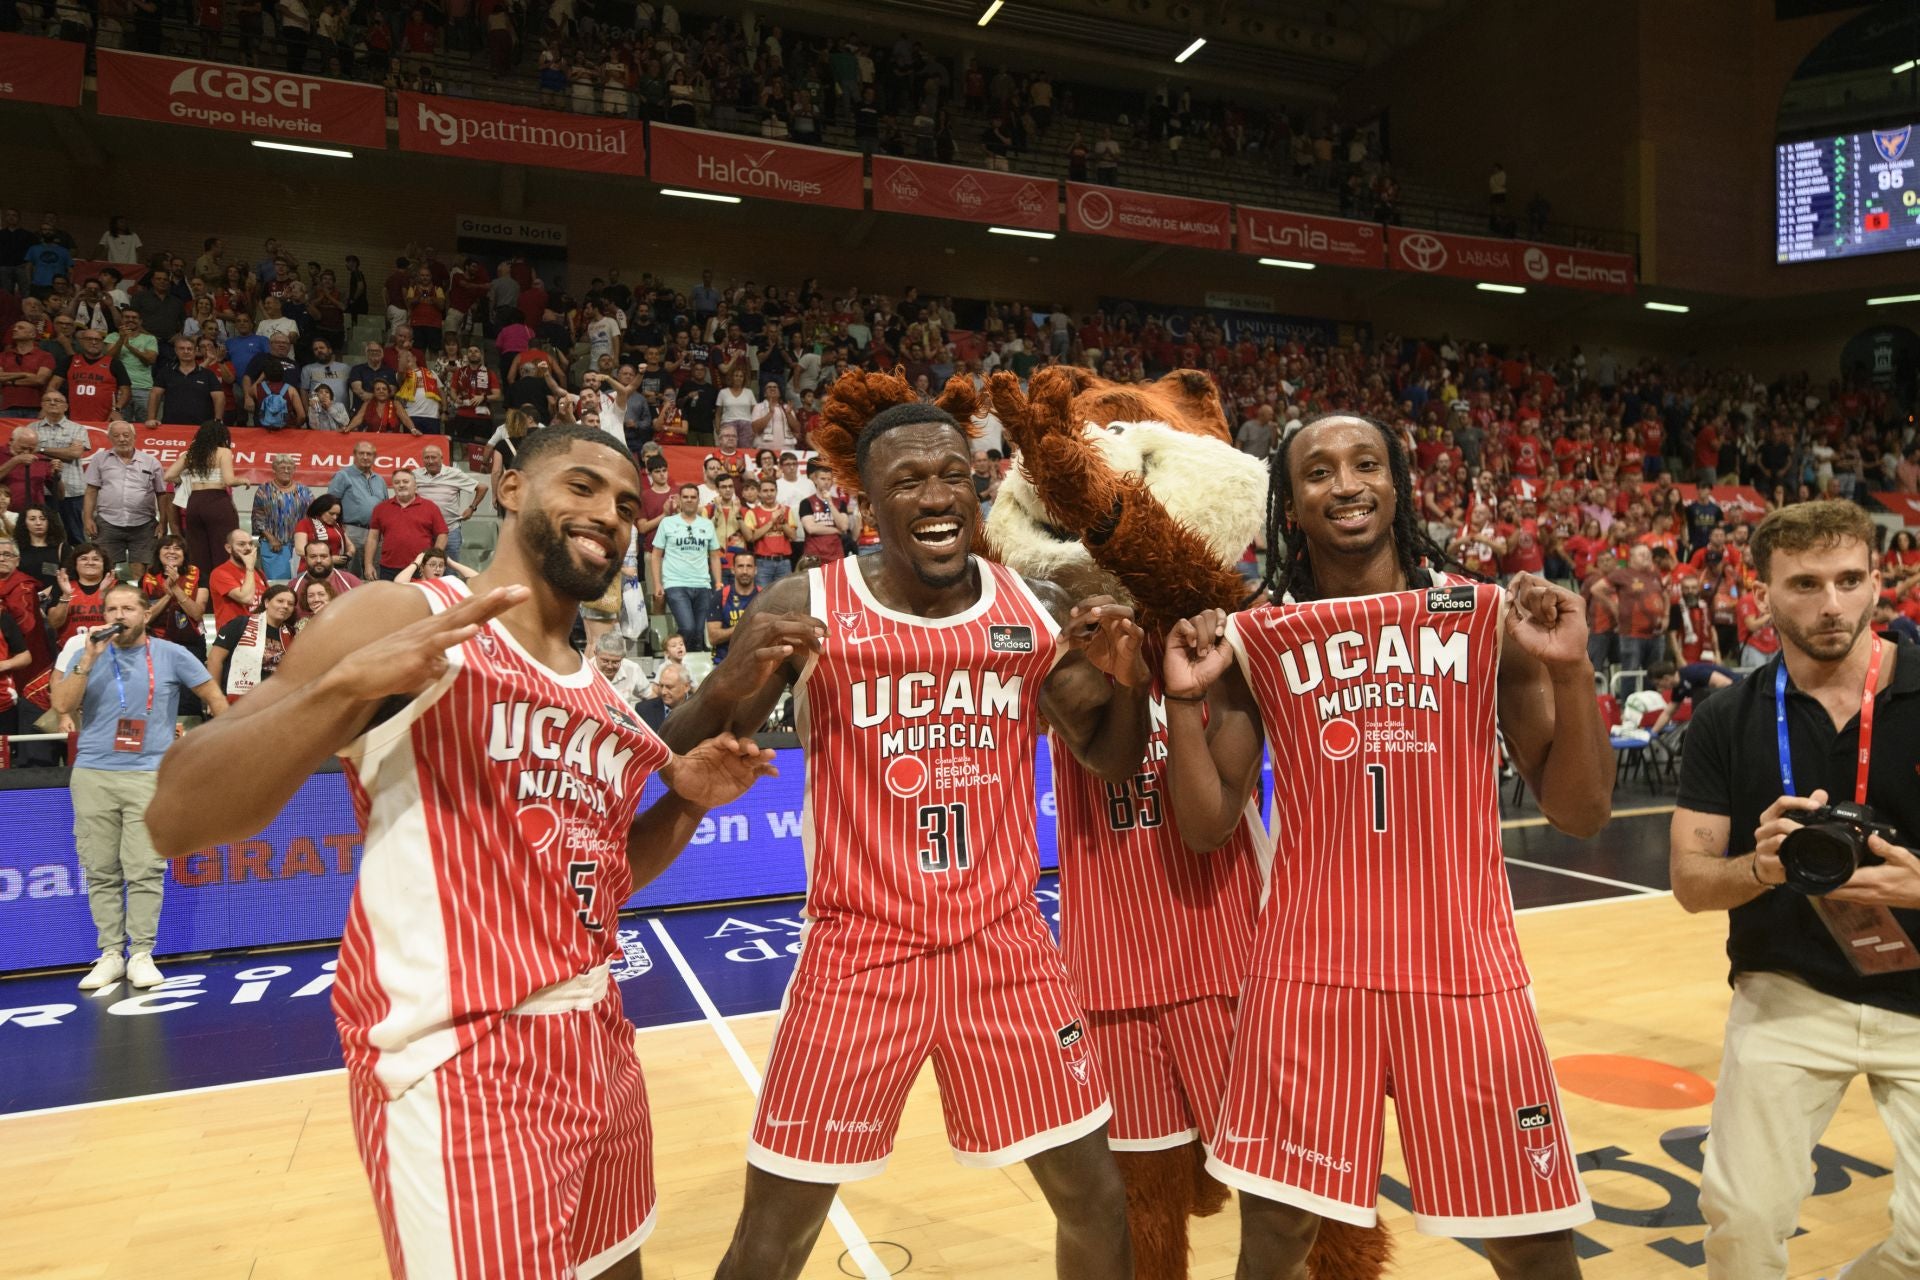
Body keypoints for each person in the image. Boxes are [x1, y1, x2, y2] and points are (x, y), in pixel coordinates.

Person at [147, 422, 778, 1280]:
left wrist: (687, 805)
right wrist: (345, 688)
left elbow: (599, 879)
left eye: (628, 504)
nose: (609, 516)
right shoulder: (403, 615)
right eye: (582, 487)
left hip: (597, 1039)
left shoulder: (595, 687)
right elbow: (177, 814)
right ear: (510, 487)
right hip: (461, 1060)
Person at [663, 371, 1146, 1280]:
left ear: (976, 486)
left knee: (1097, 1200)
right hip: (858, 957)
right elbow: (677, 759)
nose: (935, 496)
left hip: (1004, 954)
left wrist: (1127, 678)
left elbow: (1111, 759)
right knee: (774, 1235)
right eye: (908, 482)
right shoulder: (804, 607)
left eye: (953, 475)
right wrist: (729, 688)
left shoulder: (1028, 609)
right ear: (868, 505)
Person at [1161, 413, 1614, 1280]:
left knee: (1532, 1244)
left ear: (1398, 484)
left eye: (1366, 463)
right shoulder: (1256, 639)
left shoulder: (1487, 617)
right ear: (1289, 506)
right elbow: (1207, 824)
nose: (1347, 484)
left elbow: (1581, 813)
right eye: (1319, 472)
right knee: (1276, 1242)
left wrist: (1571, 668)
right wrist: (1185, 706)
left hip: (1464, 973)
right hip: (1306, 978)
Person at [1670, 500, 1920, 1280]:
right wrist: (1761, 867)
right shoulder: (1725, 718)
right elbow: (1689, 882)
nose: (1833, 605)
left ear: (1880, 581)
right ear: (1763, 593)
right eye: (1806, 584)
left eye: (1851, 580)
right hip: (1790, 989)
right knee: (1742, 1225)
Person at [52, 581, 228, 991]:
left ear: (145, 614)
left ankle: (142, 953)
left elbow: (214, 698)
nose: (118, 616)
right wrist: (88, 660)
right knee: (100, 869)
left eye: (128, 608)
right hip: (94, 773)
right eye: (111, 609)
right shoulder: (85, 653)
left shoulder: (171, 654)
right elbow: (61, 705)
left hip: (150, 775)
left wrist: (220, 744)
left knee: (145, 868)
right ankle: (111, 953)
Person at [83, 420, 167, 582]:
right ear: (109, 438)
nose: (122, 439)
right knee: (104, 568)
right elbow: (91, 490)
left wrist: (163, 522)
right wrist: (87, 518)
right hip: (107, 522)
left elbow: (161, 494)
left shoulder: (151, 461)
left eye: (126, 435)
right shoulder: (99, 459)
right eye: (116, 436)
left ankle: (143, 603)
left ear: (134, 437)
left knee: (142, 571)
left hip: (143, 524)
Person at [648, 482, 719, 650]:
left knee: (700, 632)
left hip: (702, 584)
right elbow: (656, 555)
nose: (689, 500)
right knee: (688, 628)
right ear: (679, 500)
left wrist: (718, 583)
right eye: (685, 497)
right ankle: (673, 657)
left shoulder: (707, 524)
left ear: (698, 500)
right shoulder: (667, 523)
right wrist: (658, 583)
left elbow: (715, 557)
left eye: (693, 497)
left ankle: (694, 670)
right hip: (675, 584)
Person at [164, 420, 239, 578]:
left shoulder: (191, 453)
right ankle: (222, 592)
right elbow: (229, 481)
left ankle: (201, 594)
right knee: (223, 550)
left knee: (197, 554)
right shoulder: (223, 452)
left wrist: (186, 480)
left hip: (195, 502)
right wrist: (243, 481)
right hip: (216, 501)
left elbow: (169, 475)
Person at [207, 581, 297, 700]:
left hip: (275, 702)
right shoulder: (240, 624)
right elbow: (214, 659)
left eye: (290, 604)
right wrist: (214, 698)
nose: (285, 606)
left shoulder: (291, 634)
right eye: (280, 601)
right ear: (266, 603)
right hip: (237, 701)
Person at [363, 467, 448, 582]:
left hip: (421, 568)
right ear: (393, 486)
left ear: (415, 485)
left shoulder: (430, 507)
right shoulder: (381, 508)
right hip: (389, 568)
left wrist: (433, 560)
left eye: (406, 481)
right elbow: (372, 538)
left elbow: (442, 534)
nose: (401, 485)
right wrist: (368, 564)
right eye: (397, 482)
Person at [251, 454, 311, 581]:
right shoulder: (264, 490)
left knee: (300, 581)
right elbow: (258, 518)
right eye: (282, 467)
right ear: (274, 469)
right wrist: (271, 538)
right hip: (274, 546)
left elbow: (311, 515)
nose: (287, 470)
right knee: (278, 583)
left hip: (299, 546)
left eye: (290, 467)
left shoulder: (305, 491)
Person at [327, 440, 389, 551]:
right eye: (361, 453)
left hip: (376, 534)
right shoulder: (343, 475)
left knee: (372, 568)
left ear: (375, 457)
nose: (365, 457)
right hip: (351, 531)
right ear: (354, 455)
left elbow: (386, 508)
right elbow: (330, 504)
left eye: (369, 454)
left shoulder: (380, 480)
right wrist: (336, 528)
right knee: (349, 568)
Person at [704, 549, 759, 661]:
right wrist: (743, 627)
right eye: (740, 566)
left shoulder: (764, 596)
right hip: (724, 662)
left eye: (749, 566)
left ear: (755, 570)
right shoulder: (720, 596)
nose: (745, 571)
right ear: (733, 570)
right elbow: (713, 637)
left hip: (755, 662)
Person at [209, 527, 266, 631]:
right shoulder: (219, 573)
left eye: (250, 543)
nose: (248, 548)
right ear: (228, 548)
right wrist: (249, 568)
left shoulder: (259, 572)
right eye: (241, 544)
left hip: (257, 633)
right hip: (233, 636)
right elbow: (246, 598)